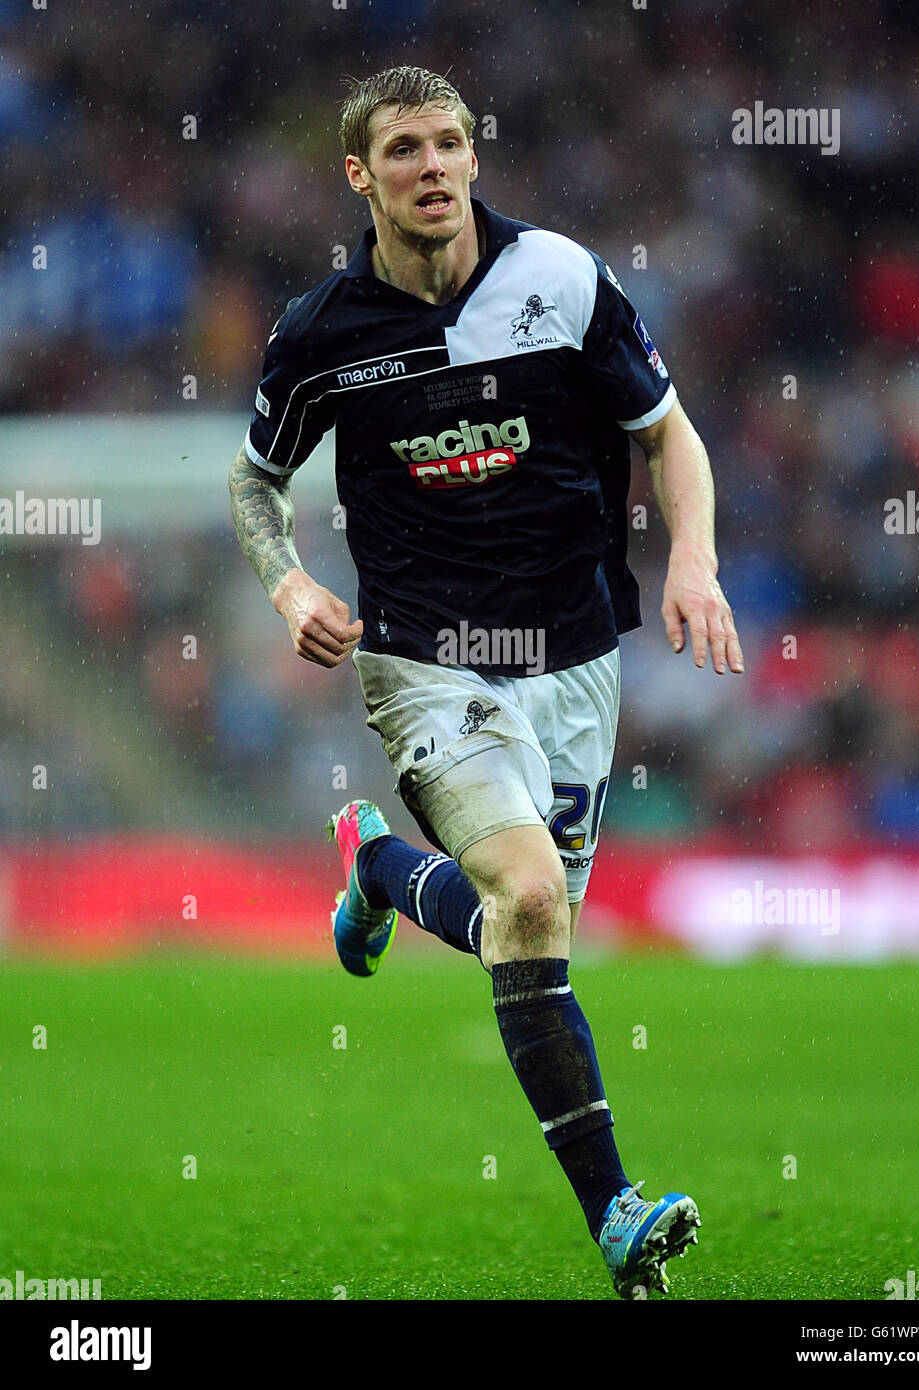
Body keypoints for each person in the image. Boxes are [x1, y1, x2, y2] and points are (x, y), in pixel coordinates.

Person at [228, 65, 743, 1299]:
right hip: (424, 658)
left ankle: (379, 872)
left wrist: (698, 560)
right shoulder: (322, 335)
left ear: (476, 156)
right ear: (361, 176)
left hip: (576, 657)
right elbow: (255, 482)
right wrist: (291, 586)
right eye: (404, 149)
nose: (434, 167)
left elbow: (665, 432)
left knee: (530, 923)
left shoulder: (560, 280)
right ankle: (614, 1209)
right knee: (524, 893)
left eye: (451, 143)